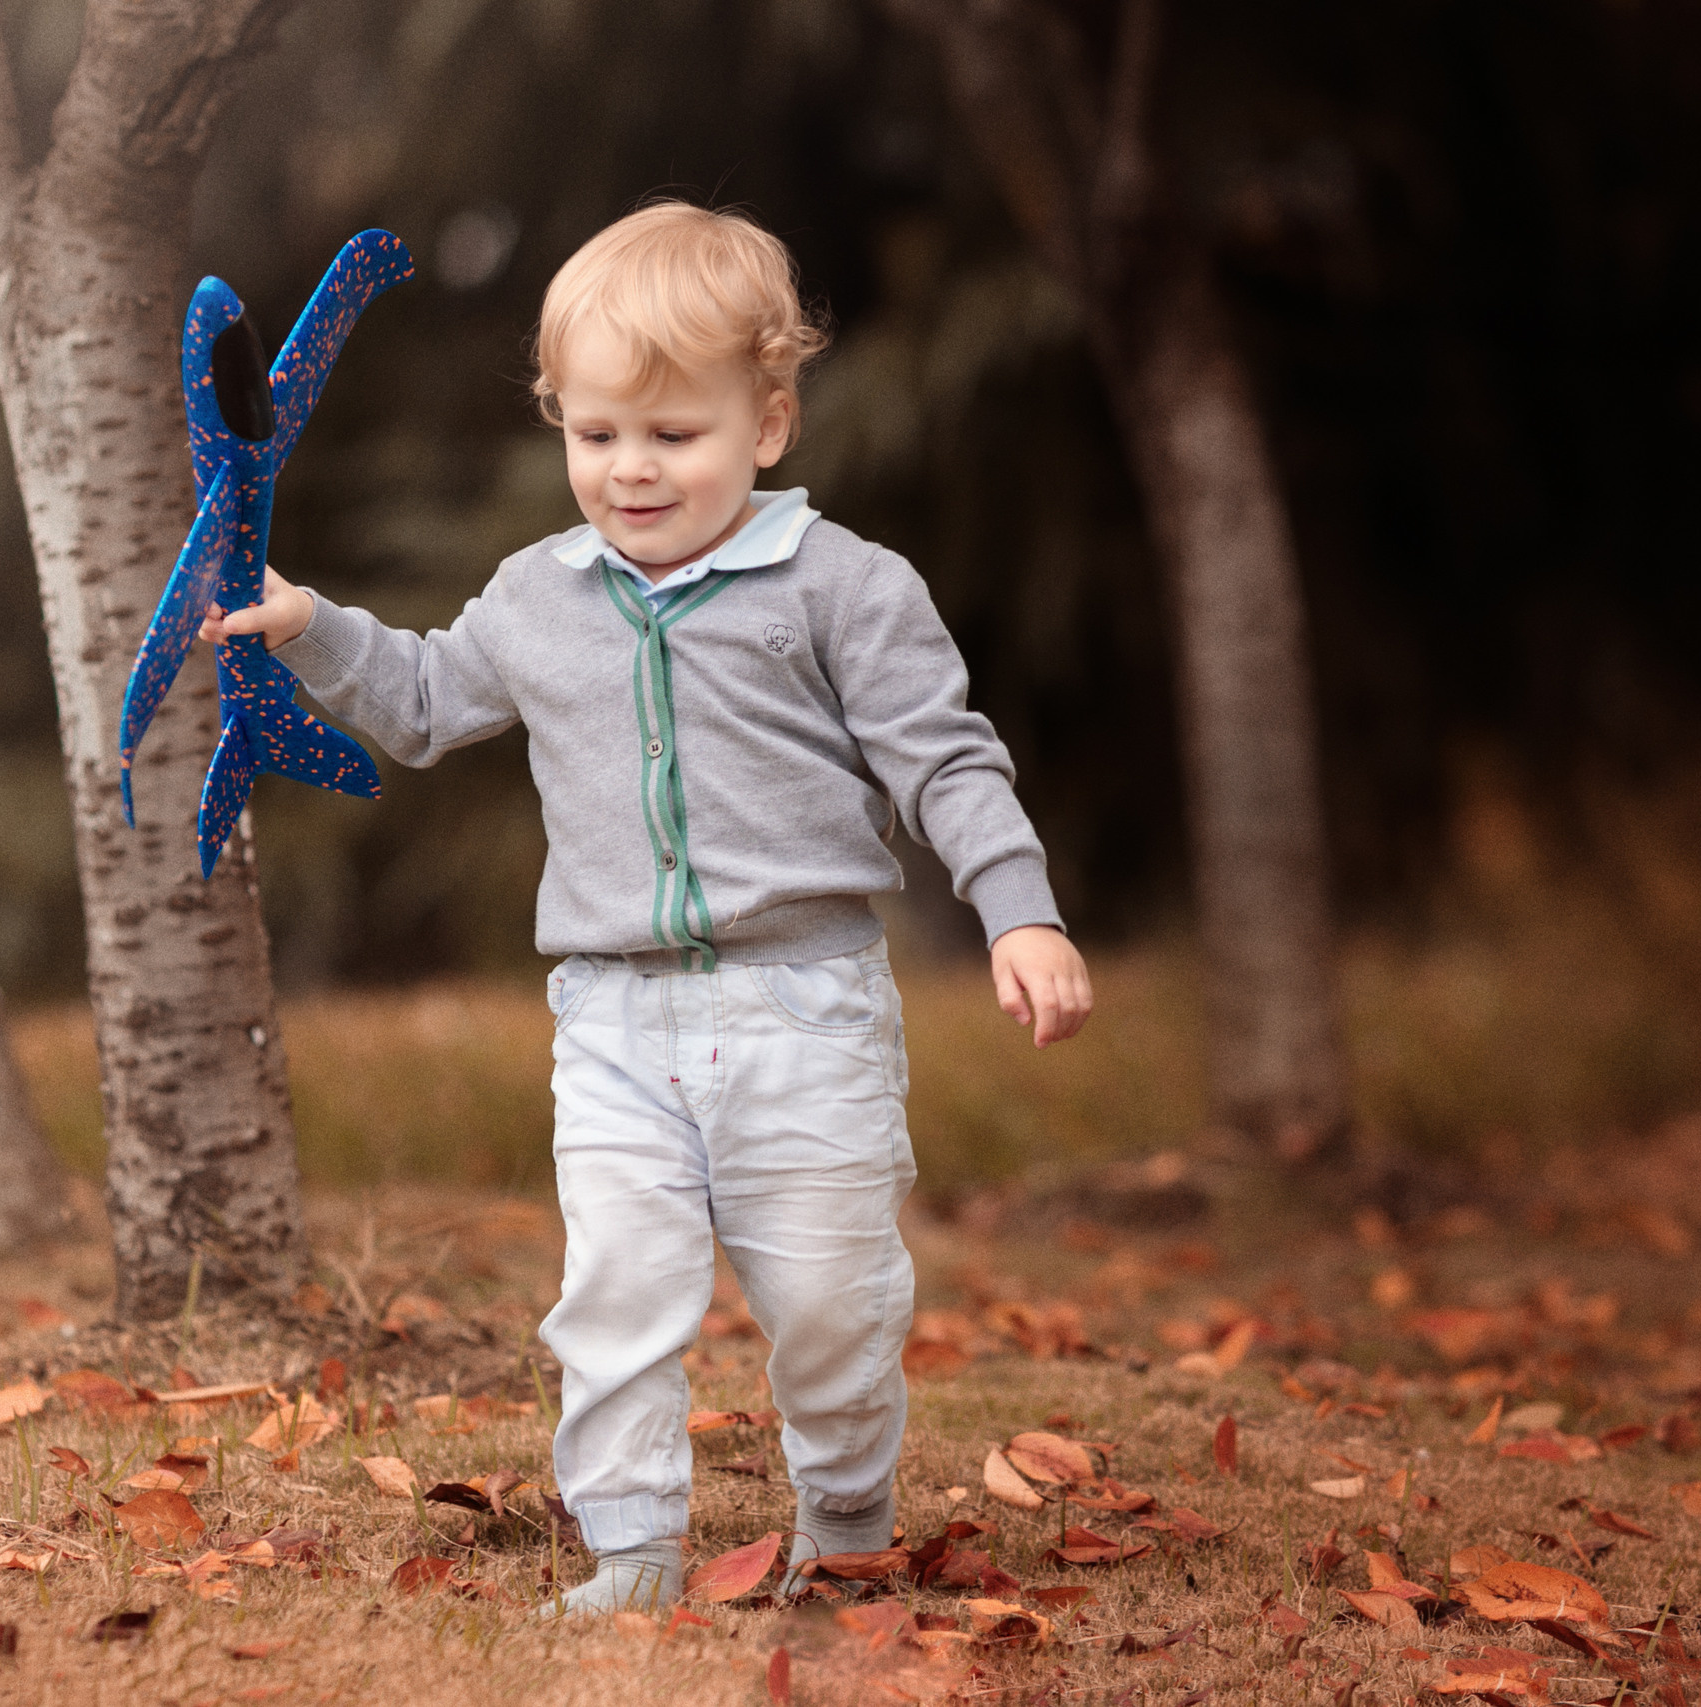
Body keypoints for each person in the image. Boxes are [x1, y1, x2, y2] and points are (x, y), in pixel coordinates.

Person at [201, 201, 1093, 1614]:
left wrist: (1020, 910)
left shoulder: (847, 588)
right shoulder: (538, 596)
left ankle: (848, 1512)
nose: (629, 470)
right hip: (613, 1020)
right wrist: (313, 626)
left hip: (805, 1009)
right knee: (614, 1295)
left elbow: (945, 760)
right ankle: (632, 1549)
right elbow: (428, 701)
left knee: (828, 1303)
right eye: (596, 433)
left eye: (673, 436)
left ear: (771, 424)